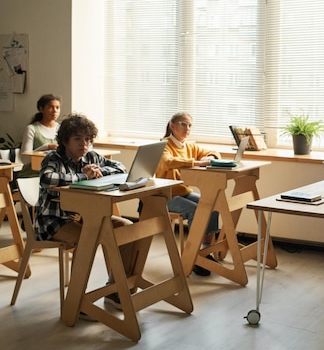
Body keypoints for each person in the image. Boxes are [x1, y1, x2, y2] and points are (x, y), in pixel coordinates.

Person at [35, 113, 135, 314]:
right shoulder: (53, 158)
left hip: (85, 217)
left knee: (127, 228)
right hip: (53, 221)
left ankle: (115, 291)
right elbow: (47, 179)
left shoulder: (91, 156)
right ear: (65, 141)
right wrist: (82, 176)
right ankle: (78, 300)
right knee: (88, 238)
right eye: (78, 139)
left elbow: (121, 167)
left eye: (88, 139)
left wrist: (99, 171)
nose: (84, 144)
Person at [154, 112, 221, 275]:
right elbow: (168, 162)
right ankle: (193, 256)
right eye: (183, 124)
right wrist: (198, 162)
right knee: (196, 210)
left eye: (190, 125)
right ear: (172, 125)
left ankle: (204, 253)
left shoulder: (189, 146)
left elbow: (214, 152)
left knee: (212, 205)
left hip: (182, 193)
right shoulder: (163, 145)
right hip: (164, 195)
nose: (187, 128)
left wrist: (210, 157)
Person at [19, 94, 62, 178]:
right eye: (50, 107)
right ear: (41, 109)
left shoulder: (61, 129)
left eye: (57, 107)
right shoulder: (32, 129)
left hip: (54, 175)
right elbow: (25, 159)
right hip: (32, 175)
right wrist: (46, 147)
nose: (55, 111)